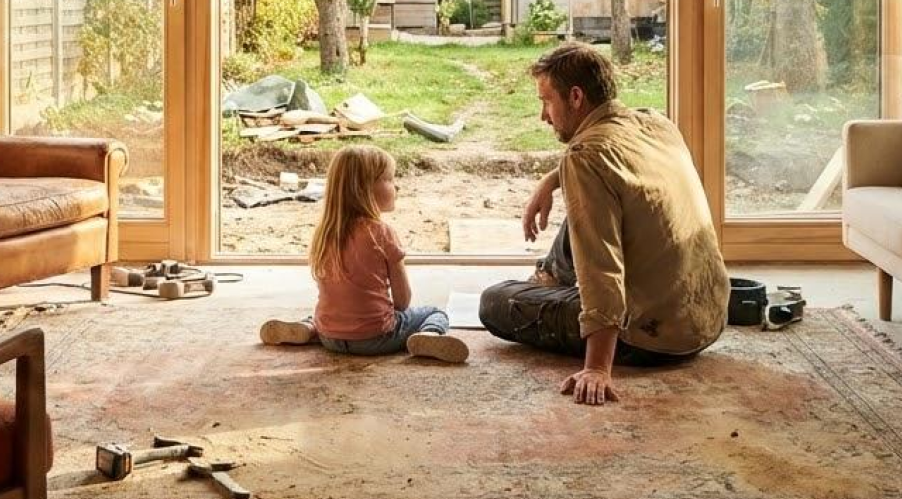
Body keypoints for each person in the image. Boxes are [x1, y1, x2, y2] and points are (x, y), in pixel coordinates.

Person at [480, 43, 728, 405]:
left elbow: (601, 266)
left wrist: (597, 367)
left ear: (576, 96)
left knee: (495, 301)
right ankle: (550, 279)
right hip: (706, 319)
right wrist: (552, 179)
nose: (543, 117)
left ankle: (550, 287)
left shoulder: (585, 158)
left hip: (652, 338)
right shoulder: (655, 123)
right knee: (585, 209)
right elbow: (608, 167)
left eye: (547, 102)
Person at [258, 145, 470, 363]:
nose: (395, 186)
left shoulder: (325, 233)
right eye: (389, 179)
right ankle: (428, 335)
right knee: (434, 313)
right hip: (376, 338)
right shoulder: (382, 233)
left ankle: (307, 328)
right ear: (364, 189)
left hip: (330, 337)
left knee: (331, 314)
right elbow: (402, 302)